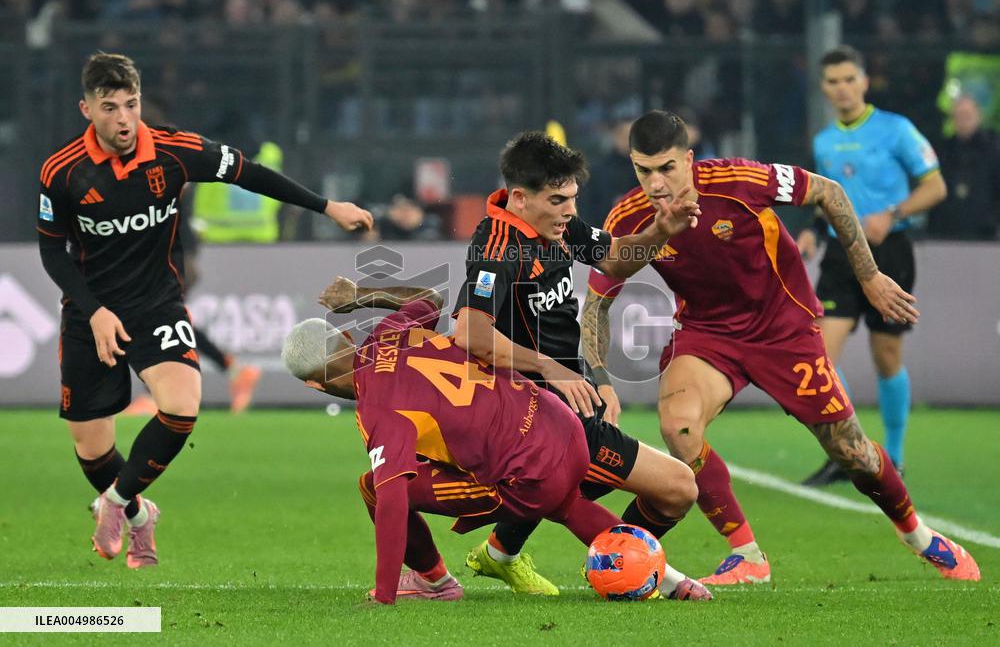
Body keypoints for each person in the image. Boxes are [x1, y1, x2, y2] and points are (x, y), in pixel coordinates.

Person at [582, 109, 979, 585]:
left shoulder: (739, 180)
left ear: (689, 159)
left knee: (852, 454)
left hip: (783, 327)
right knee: (678, 427)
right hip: (709, 333)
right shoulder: (628, 217)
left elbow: (829, 192)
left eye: (667, 168)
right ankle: (747, 556)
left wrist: (869, 276)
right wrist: (601, 381)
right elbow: (595, 303)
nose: (657, 183)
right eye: (644, 171)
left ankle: (919, 535)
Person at [36, 52, 373, 567]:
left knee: (181, 406)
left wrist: (328, 207)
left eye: (131, 104)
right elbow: (49, 250)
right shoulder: (62, 173)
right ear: (87, 109)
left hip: (156, 303)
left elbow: (250, 173)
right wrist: (94, 310)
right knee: (91, 447)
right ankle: (141, 515)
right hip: (90, 314)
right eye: (109, 107)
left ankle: (115, 502)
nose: (123, 118)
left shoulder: (176, 150)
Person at [281, 279, 709, 604]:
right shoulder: (392, 329)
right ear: (350, 339)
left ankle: (434, 582)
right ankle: (674, 582)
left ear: (316, 386)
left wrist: (384, 593)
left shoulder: (377, 408)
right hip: (564, 426)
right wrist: (362, 295)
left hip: (527, 478)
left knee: (375, 487)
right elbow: (431, 297)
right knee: (566, 504)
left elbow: (393, 501)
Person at [451, 131, 704, 596]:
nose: (569, 210)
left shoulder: (558, 227)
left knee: (569, 488)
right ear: (521, 198)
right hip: (533, 415)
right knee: (678, 488)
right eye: (558, 199)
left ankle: (500, 554)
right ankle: (642, 575)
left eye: (572, 198)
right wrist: (552, 368)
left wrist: (661, 231)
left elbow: (614, 260)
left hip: (568, 401)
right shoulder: (498, 250)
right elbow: (470, 335)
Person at [797, 46, 947, 486]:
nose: (841, 88)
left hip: (891, 253)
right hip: (841, 254)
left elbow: (935, 186)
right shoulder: (824, 142)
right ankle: (851, 451)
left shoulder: (897, 130)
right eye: (832, 81)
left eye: (848, 79)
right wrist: (811, 226)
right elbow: (827, 200)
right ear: (824, 89)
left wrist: (893, 214)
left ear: (863, 82)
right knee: (821, 356)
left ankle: (894, 457)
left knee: (886, 358)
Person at [928, 95, 1000, 240]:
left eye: (967, 115)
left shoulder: (995, 149)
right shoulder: (943, 151)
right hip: (945, 234)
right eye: (959, 116)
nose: (963, 121)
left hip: (986, 235)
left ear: (978, 115)